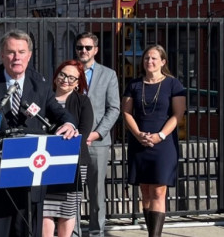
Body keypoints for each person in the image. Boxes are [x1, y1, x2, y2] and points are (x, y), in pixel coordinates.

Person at [0, 29, 78, 237]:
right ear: (1, 55)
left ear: (29, 55)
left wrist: (69, 126)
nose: (16, 57)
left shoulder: (41, 86)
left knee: (27, 230)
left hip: (29, 178)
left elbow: (62, 115)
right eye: (11, 52)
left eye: (21, 52)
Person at [121, 44, 185, 237]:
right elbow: (126, 113)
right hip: (139, 142)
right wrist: (138, 134)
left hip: (163, 144)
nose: (150, 61)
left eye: (154, 58)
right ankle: (151, 231)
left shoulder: (174, 85)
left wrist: (160, 136)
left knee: (158, 190)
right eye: (147, 58)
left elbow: (178, 114)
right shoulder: (134, 85)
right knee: (146, 191)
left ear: (163, 62)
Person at [75, 32, 120, 237]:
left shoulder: (108, 74)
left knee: (96, 191)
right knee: (72, 191)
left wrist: (97, 134)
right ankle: (72, 232)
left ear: (96, 50)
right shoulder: (68, 71)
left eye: (88, 47)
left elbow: (114, 109)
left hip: (97, 142)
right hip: (71, 140)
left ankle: (96, 232)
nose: (83, 51)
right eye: (80, 47)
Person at [43, 60, 94, 237]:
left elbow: (84, 132)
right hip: (44, 163)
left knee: (67, 210)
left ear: (78, 83)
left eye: (72, 78)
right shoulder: (44, 98)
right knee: (45, 210)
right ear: (56, 76)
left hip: (74, 163)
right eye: (63, 75)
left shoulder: (83, 101)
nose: (66, 80)